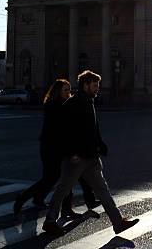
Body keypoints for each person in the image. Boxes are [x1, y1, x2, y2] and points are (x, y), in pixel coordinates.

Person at [42, 70, 139, 234]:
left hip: (91, 156)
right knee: (63, 189)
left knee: (103, 190)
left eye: (98, 86)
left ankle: (118, 222)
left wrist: (100, 144)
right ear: (85, 85)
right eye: (95, 86)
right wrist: (71, 152)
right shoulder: (73, 104)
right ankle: (50, 221)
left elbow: (92, 128)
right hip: (77, 158)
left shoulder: (88, 101)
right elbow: (62, 132)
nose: (97, 89)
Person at [13, 79, 100, 216]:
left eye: (69, 90)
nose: (68, 93)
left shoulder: (63, 105)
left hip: (60, 147)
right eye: (65, 90)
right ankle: (23, 197)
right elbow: (60, 130)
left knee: (66, 177)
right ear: (57, 92)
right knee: (51, 178)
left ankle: (58, 205)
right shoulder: (54, 106)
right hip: (51, 147)